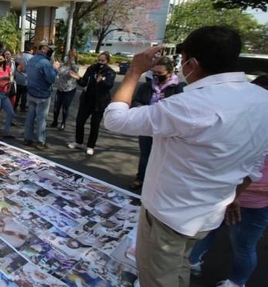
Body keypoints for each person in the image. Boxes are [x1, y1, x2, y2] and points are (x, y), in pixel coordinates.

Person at [102, 26, 268, 287]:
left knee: (158, 276)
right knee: (179, 265)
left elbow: (114, 119)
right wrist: (236, 193)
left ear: (191, 63)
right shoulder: (262, 99)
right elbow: (257, 159)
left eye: (182, 61)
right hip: (208, 214)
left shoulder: (189, 105)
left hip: (169, 215)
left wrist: (134, 71)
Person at [188, 75, 268, 287]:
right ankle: (192, 261)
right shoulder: (242, 121)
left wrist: (239, 194)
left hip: (251, 200)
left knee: (243, 245)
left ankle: (236, 282)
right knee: (206, 231)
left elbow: (254, 168)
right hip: (222, 193)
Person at [129, 56, 185, 190]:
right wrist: (141, 108)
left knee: (165, 157)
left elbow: (182, 108)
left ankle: (159, 182)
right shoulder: (146, 86)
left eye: (160, 73)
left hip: (168, 128)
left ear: (170, 73)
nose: (156, 76)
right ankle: (140, 178)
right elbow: (136, 101)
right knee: (145, 154)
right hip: (148, 125)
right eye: (154, 72)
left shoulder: (179, 88)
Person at [67, 51, 116, 156]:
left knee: (94, 125)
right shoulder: (91, 68)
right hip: (87, 99)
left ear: (107, 61)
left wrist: (101, 81)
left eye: (102, 61)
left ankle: (90, 146)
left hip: (99, 102)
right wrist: (78, 78)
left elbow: (109, 85)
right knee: (80, 121)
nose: (100, 62)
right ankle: (78, 142)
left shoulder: (110, 72)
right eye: (99, 60)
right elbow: (84, 82)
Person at [23, 44, 60, 150]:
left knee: (30, 117)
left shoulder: (32, 59)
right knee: (41, 119)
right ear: (44, 50)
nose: (51, 53)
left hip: (31, 92)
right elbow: (51, 79)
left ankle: (27, 138)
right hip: (42, 95)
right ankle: (40, 141)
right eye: (50, 50)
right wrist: (55, 68)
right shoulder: (45, 63)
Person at [50, 48, 79, 132]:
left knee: (65, 108)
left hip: (69, 90)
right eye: (68, 55)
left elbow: (75, 70)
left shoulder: (75, 66)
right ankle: (55, 122)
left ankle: (63, 123)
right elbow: (55, 67)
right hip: (60, 89)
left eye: (71, 55)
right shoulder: (63, 65)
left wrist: (72, 60)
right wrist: (53, 57)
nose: (68, 57)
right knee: (56, 107)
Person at [13, 43, 34, 113]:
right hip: (26, 78)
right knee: (24, 94)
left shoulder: (18, 56)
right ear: (31, 50)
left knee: (17, 93)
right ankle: (22, 107)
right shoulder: (32, 58)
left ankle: (15, 105)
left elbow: (15, 63)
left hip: (18, 77)